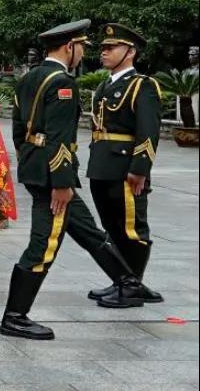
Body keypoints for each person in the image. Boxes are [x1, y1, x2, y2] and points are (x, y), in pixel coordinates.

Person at [0, 20, 145, 342]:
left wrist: (31, 161)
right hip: (55, 178)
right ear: (70, 47)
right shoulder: (62, 83)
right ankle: (15, 316)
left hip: (36, 168)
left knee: (88, 230)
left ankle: (128, 282)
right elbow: (60, 137)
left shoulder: (29, 78)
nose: (83, 54)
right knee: (44, 243)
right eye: (82, 47)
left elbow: (19, 130)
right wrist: (62, 183)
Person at [86, 24, 163, 306]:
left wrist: (140, 168)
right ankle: (122, 280)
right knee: (112, 226)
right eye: (103, 48)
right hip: (102, 166)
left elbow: (148, 131)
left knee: (132, 227)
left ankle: (132, 286)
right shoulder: (105, 85)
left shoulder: (142, 85)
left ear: (130, 52)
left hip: (125, 168)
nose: (104, 52)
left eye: (111, 48)